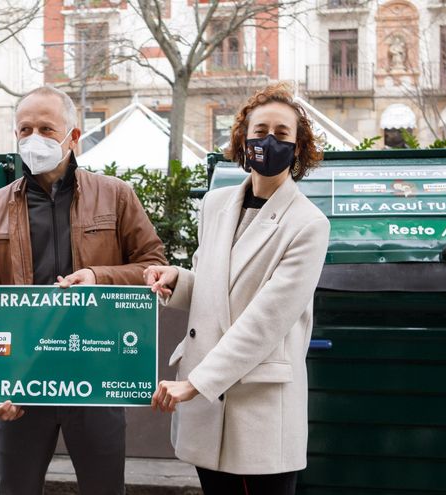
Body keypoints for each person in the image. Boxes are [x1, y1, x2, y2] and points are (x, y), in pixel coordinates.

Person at [0, 85, 167, 494]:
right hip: (23, 378)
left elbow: (155, 267)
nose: (33, 138)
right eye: (24, 129)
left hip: (95, 372)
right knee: (16, 488)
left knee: (103, 487)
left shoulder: (115, 195)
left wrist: (98, 276)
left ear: (73, 137)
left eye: (46, 128)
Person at [145, 84, 330, 495]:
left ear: (298, 147)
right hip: (206, 404)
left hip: (256, 409)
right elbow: (218, 290)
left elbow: (267, 320)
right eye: (259, 129)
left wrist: (196, 383)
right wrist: (179, 281)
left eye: (282, 134)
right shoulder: (216, 204)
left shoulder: (308, 224)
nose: (269, 140)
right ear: (242, 140)